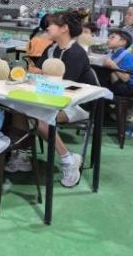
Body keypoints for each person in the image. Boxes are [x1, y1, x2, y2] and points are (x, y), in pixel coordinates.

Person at [15, 12, 94, 187]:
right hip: (52, 97)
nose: (46, 29)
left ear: (64, 28)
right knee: (18, 110)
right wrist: (34, 74)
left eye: (50, 25)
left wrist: (40, 75)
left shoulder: (76, 53)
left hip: (77, 103)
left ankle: (68, 159)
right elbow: (39, 72)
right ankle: (23, 155)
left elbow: (64, 87)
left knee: (39, 117)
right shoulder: (51, 49)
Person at [103, 30, 133, 97]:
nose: (108, 40)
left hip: (131, 87)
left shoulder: (127, 56)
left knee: (101, 87)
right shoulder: (112, 53)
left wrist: (113, 65)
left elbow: (125, 78)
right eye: (108, 38)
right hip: (119, 84)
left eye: (112, 38)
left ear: (123, 42)